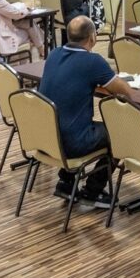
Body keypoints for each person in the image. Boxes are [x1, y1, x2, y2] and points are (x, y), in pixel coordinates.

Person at [39, 15, 131, 206]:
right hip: (71, 143)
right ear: (92, 37)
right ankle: (92, 191)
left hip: (46, 138)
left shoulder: (54, 54)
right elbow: (125, 92)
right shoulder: (92, 62)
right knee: (121, 133)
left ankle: (66, 182)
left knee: (72, 122)